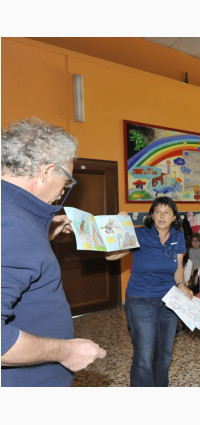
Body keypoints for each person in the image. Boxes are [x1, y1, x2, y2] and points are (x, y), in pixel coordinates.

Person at [1, 118, 106, 386]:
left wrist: (43, 233)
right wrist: (67, 351)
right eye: (66, 180)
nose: (64, 191)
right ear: (47, 172)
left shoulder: (12, 213)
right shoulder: (13, 226)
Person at [105, 197, 192, 386]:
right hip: (141, 300)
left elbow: (178, 268)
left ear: (174, 216)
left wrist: (182, 285)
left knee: (165, 352)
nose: (162, 216)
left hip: (169, 300)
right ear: (152, 215)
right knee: (144, 354)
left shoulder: (178, 236)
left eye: (167, 212)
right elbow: (111, 256)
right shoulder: (139, 234)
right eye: (158, 211)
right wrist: (118, 227)